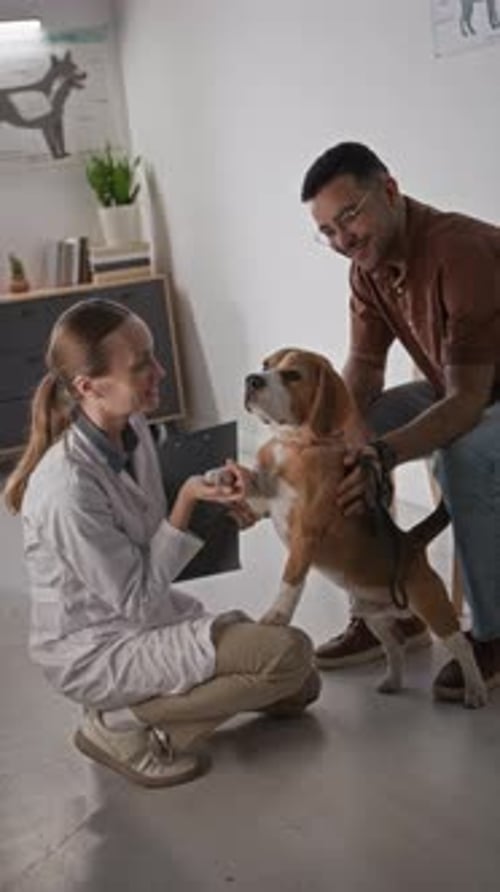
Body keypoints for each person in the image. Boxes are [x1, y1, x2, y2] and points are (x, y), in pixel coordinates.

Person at [4, 298, 319, 788]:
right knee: (289, 656)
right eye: (141, 366)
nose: (161, 371)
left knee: (303, 686)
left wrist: (218, 492)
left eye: (152, 355)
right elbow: (133, 601)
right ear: (89, 387)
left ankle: (161, 706)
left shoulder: (131, 427)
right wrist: (188, 501)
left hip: (143, 615)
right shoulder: (65, 488)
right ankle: (117, 724)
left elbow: (148, 522)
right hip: (97, 648)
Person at [300, 141, 500, 702]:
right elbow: (363, 370)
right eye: (329, 232)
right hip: (462, 389)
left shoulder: (459, 250)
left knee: (462, 453)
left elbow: (466, 403)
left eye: (350, 217)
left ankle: (492, 635)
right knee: (343, 436)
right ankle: (390, 606)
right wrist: (326, 433)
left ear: (389, 191)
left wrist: (383, 452)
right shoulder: (367, 269)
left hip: (480, 393)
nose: (343, 240)